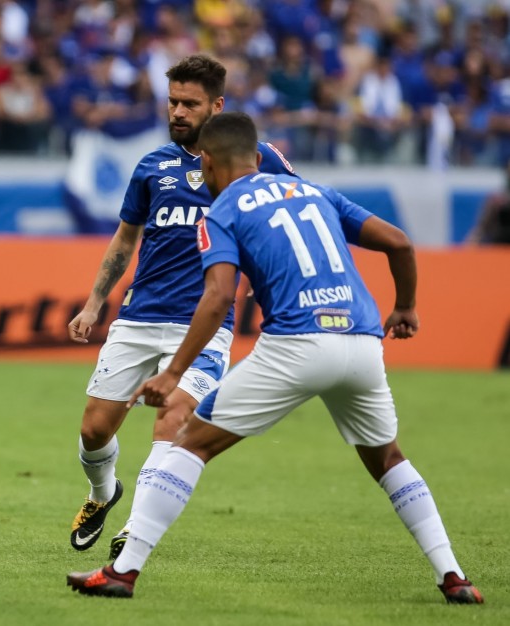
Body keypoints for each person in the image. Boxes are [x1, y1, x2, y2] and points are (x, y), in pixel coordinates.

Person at [67, 112, 484, 605]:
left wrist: (174, 371)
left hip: (298, 342)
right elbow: (399, 242)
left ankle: (123, 571)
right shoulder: (316, 192)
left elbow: (219, 297)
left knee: (186, 444)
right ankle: (453, 575)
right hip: (363, 341)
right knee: (389, 458)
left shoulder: (221, 211)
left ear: (207, 160)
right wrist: (407, 306)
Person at [67, 54, 297, 558]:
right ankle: (104, 494)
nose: (177, 112)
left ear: (217, 106)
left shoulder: (257, 158)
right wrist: (93, 303)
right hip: (139, 316)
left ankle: (136, 530)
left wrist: (270, 270)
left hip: (204, 324)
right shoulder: (152, 166)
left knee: (173, 420)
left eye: (189, 104)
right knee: (93, 429)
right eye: (172, 102)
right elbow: (124, 240)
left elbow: (296, 212)